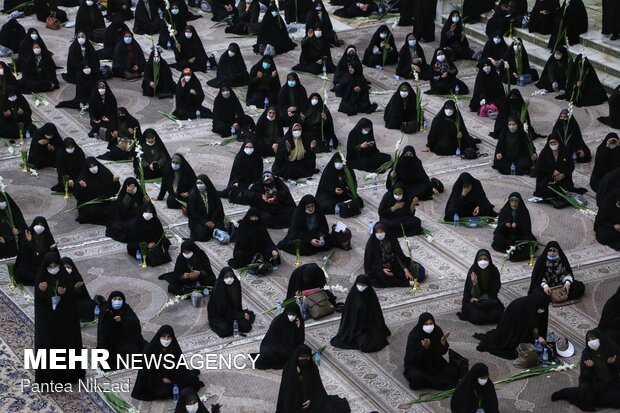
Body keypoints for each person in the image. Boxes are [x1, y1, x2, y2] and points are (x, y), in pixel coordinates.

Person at [34, 252, 84, 385]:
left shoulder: (65, 278)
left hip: (64, 322)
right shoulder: (41, 280)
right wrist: (42, 292)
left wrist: (66, 293)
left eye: (55, 265)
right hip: (48, 322)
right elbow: (39, 305)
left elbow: (73, 303)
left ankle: (69, 377)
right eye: (50, 266)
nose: (53, 268)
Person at [551, 329, 620, 410]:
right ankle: (566, 393)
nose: (591, 342)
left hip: (609, 384)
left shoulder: (610, 350)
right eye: (589, 340)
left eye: (593, 338)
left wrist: (613, 363)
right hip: (593, 384)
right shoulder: (587, 353)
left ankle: (593, 399)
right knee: (586, 397)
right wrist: (591, 367)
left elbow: (615, 373)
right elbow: (584, 376)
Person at [131, 325, 204, 401]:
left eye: (169, 337)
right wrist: (161, 378)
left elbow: (180, 365)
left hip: (172, 375)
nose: (166, 339)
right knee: (163, 393)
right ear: (159, 336)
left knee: (190, 382)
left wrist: (174, 377)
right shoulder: (149, 350)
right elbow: (147, 371)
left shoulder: (173, 347)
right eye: (163, 336)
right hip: (155, 379)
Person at [275, 344, 351, 412]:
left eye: (307, 358)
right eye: (302, 358)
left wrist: (312, 400)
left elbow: (318, 389)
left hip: (310, 402)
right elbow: (287, 393)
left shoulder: (312, 368)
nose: (305, 360)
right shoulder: (289, 369)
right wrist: (294, 375)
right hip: (294, 403)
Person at [474, 293, 550, 359]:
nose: (542, 310)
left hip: (518, 326)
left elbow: (533, 324)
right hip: (510, 331)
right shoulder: (523, 307)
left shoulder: (532, 306)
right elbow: (523, 329)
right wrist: (537, 337)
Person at [330, 274, 390, 352]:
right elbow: (348, 315)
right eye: (359, 284)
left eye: (363, 285)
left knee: (371, 342)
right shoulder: (352, 295)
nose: (361, 287)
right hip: (353, 327)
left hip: (368, 326)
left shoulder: (371, 296)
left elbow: (375, 315)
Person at [403, 312, 459, 390]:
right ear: (421, 324)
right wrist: (424, 348)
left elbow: (443, 352)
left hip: (434, 362)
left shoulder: (437, 330)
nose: (429, 326)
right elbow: (414, 359)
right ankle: (431, 381)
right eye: (426, 324)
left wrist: (443, 342)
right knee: (416, 378)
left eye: (431, 323)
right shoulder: (414, 335)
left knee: (453, 371)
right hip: (418, 366)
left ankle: (430, 381)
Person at [96, 290, 147, 370]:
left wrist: (123, 320)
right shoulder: (105, 311)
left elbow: (135, 323)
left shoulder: (126, 308)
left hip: (126, 340)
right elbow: (102, 332)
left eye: (119, 299)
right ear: (111, 300)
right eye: (115, 299)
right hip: (111, 343)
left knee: (135, 352)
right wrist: (110, 320)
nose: (117, 301)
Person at [364, 222, 424, 288]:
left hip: (395, 265)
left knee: (419, 272)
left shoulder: (391, 239)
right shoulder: (372, 244)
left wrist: (405, 269)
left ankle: (401, 279)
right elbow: (369, 263)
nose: (380, 234)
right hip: (381, 269)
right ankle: (407, 283)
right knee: (381, 277)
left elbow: (398, 254)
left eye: (381, 232)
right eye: (377, 233)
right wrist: (382, 269)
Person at [534, 136, 585, 205]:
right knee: (547, 192)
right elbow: (540, 168)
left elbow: (571, 166)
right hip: (549, 179)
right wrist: (552, 172)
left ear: (558, 142)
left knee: (566, 191)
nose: (553, 144)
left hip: (563, 178)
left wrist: (563, 174)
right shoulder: (544, 153)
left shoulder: (565, 151)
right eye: (551, 142)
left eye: (555, 142)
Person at [458, 250, 504, 325]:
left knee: (499, 315)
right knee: (478, 318)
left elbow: (495, 289)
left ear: (489, 260)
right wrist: (475, 284)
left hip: (489, 298)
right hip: (473, 301)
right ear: (476, 260)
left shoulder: (493, 270)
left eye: (485, 259)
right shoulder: (473, 271)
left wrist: (482, 298)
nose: (483, 261)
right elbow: (471, 295)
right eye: (480, 259)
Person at [207, 267, 256, 337]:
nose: (229, 279)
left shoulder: (236, 284)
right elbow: (223, 312)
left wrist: (240, 314)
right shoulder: (219, 290)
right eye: (226, 277)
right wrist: (241, 315)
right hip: (221, 316)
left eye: (231, 276)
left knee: (246, 326)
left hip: (233, 313)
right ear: (222, 277)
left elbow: (237, 305)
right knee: (226, 330)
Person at [254, 302, 304, 369]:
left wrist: (299, 329)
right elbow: (272, 340)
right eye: (289, 314)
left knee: (303, 352)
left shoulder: (298, 322)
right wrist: (285, 352)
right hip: (274, 347)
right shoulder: (278, 321)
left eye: (294, 315)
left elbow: (300, 341)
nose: (291, 317)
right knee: (267, 354)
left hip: (289, 348)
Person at [73, 157, 120, 225]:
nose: (93, 168)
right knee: (92, 210)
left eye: (94, 165)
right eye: (90, 167)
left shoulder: (105, 173)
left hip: (105, 200)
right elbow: (79, 197)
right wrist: (81, 187)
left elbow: (115, 191)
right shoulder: (83, 177)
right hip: (92, 202)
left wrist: (115, 182)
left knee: (117, 205)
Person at [492, 192, 537, 261]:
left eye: (516, 201)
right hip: (507, 235)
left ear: (519, 202)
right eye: (512, 201)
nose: (513, 203)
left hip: (519, 236)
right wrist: (505, 224)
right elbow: (499, 226)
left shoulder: (524, 212)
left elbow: (527, 228)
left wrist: (518, 225)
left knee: (531, 241)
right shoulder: (504, 210)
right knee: (497, 236)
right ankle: (513, 247)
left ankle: (513, 248)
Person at [14, 217, 56, 285]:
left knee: (49, 273)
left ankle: (40, 278)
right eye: (37, 224)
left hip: (42, 265)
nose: (39, 227)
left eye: (42, 225)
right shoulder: (28, 235)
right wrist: (29, 242)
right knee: (20, 273)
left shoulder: (47, 237)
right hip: (30, 265)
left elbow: (53, 257)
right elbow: (23, 255)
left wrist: (51, 249)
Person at [105, 177, 148, 242]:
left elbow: (149, 208)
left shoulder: (140, 192)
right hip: (128, 218)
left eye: (134, 186)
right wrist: (128, 195)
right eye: (130, 187)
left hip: (141, 216)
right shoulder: (123, 195)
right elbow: (122, 210)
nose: (132, 189)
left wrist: (148, 202)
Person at [187, 174, 225, 241]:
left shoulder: (212, 192)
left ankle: (211, 230)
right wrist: (205, 222)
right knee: (201, 234)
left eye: (201, 183)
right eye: (198, 183)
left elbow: (218, 207)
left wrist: (212, 221)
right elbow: (193, 213)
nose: (199, 185)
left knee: (221, 229)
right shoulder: (193, 195)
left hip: (212, 218)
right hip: (200, 220)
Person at [0, 191, 26, 259]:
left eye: (2, 201)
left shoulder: (10, 209)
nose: (1, 203)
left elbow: (21, 223)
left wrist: (18, 231)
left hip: (14, 242)